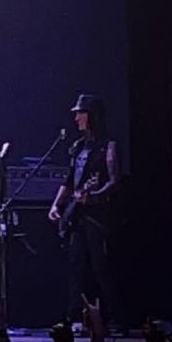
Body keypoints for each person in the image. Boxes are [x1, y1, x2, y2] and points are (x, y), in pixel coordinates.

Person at [48, 93, 121, 328]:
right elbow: (70, 181)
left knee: (101, 267)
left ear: (92, 116)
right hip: (77, 215)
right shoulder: (78, 147)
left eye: (81, 113)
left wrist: (95, 196)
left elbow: (114, 181)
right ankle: (75, 318)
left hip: (98, 217)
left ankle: (115, 319)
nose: (76, 118)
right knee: (75, 266)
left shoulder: (108, 146)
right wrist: (56, 204)